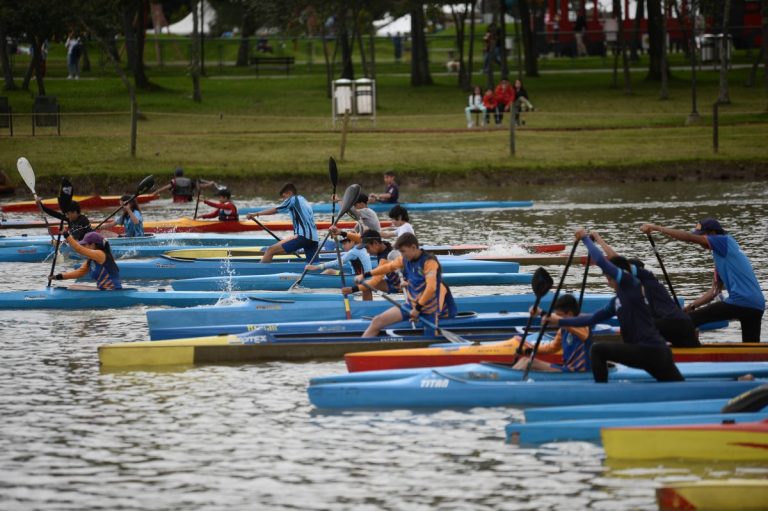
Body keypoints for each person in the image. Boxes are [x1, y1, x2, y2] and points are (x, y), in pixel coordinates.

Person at [542, 228, 685, 383]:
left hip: (652, 350)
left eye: (609, 275)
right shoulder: (616, 301)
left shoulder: (631, 284)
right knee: (674, 384)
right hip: (645, 352)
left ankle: (601, 391)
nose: (607, 279)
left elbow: (602, 262)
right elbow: (592, 319)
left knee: (597, 350)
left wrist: (585, 238)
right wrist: (558, 321)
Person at [641, 219, 765, 343]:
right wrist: (691, 306)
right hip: (756, 304)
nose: (700, 241)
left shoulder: (723, 240)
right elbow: (714, 292)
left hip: (740, 301)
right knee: (751, 346)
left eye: (701, 236)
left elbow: (689, 238)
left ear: (713, 233)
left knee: (689, 320)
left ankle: (684, 348)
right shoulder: (721, 254)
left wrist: (657, 228)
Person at [590, 231, 699, 347]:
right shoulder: (631, 292)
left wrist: (597, 238)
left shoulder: (647, 278)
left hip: (677, 324)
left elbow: (615, 259)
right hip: (671, 329)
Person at [353, 233, 457, 337]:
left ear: (413, 247)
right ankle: (358, 349)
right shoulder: (405, 259)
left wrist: (417, 309)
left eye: (403, 251)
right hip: (410, 306)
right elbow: (388, 267)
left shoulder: (429, 262)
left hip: (428, 310)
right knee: (377, 322)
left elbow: (431, 288)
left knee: (428, 340)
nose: (402, 255)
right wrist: (365, 275)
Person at [512, 294, 593, 373]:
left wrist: (542, 313)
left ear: (570, 314)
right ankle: (510, 378)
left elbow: (573, 326)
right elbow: (552, 348)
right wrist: (528, 350)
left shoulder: (583, 325)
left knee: (529, 363)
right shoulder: (562, 330)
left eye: (559, 315)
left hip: (581, 372)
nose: (555, 319)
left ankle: (511, 381)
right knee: (524, 360)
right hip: (567, 369)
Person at [247, 183, 318, 263]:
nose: (284, 200)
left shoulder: (293, 199)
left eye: (284, 197)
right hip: (314, 238)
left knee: (270, 250)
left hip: (303, 237)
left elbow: (276, 210)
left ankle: (260, 273)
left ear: (290, 193)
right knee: (313, 265)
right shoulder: (303, 200)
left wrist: (256, 214)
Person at [50, 231, 122, 290]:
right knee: (72, 287)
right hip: (104, 290)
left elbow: (80, 250)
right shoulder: (91, 260)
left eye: (85, 244)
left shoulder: (100, 254)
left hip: (113, 291)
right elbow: (79, 273)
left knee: (72, 288)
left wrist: (67, 235)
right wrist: (58, 277)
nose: (83, 247)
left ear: (93, 244)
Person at [340, 229, 401, 295]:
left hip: (400, 286)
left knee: (367, 285)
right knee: (366, 283)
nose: (367, 252)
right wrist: (341, 233)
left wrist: (353, 289)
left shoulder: (385, 258)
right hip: (392, 281)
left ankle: (367, 303)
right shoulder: (383, 245)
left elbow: (375, 280)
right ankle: (367, 303)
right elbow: (358, 238)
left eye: (367, 248)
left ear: (376, 243)